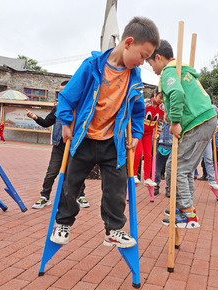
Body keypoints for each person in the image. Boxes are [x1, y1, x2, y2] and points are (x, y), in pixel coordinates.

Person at [50, 17, 160, 248]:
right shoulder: (91, 67)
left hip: (114, 141)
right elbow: (67, 97)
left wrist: (137, 134)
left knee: (117, 187)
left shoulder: (135, 78)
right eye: (142, 55)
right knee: (71, 183)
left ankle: (113, 229)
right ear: (128, 43)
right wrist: (66, 123)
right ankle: (63, 223)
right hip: (84, 139)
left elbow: (138, 112)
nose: (142, 63)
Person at [147, 39, 217, 229]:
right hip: (205, 120)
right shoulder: (182, 69)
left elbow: (177, 93)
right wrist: (172, 115)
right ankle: (182, 206)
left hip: (198, 122)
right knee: (182, 167)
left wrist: (175, 122)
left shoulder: (169, 71)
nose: (152, 68)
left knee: (176, 167)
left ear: (159, 57)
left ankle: (187, 212)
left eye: (151, 62)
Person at [26, 81, 89, 209]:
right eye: (60, 92)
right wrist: (35, 117)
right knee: (51, 172)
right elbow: (46, 122)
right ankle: (45, 196)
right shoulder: (58, 107)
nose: (62, 94)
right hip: (59, 146)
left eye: (64, 91)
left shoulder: (80, 107)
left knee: (75, 172)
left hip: (75, 145)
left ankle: (80, 195)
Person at [133, 88, 164, 187]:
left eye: (163, 99)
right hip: (138, 132)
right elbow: (135, 114)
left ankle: (147, 177)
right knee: (138, 153)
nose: (161, 100)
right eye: (160, 97)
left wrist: (157, 133)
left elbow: (160, 122)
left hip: (148, 133)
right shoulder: (145, 103)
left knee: (148, 155)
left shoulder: (162, 108)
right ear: (154, 94)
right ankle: (133, 175)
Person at [193, 90, 218, 190]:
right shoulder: (197, 107)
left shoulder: (213, 108)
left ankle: (212, 180)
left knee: (209, 159)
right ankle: (190, 179)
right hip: (197, 138)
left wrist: (217, 126)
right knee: (194, 159)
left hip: (208, 138)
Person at [154, 113, 172, 197]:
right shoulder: (160, 124)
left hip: (170, 149)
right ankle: (156, 186)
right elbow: (155, 136)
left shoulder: (173, 124)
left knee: (169, 171)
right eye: (166, 114)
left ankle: (168, 188)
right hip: (160, 148)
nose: (167, 116)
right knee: (156, 170)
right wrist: (156, 147)